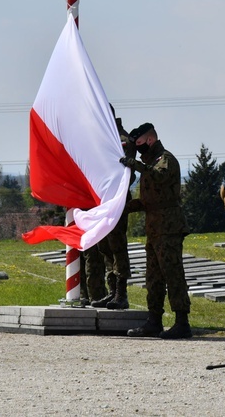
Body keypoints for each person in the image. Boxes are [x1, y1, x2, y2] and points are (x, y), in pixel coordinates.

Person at [120, 123, 192, 339]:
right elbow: (148, 201)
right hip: (154, 230)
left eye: (139, 143)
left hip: (169, 229)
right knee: (153, 277)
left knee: (173, 274)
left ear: (149, 140)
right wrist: (122, 208)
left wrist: (134, 165)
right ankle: (154, 321)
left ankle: (182, 322)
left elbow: (160, 176)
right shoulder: (150, 163)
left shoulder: (164, 160)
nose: (137, 148)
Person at [90, 111, 134, 310]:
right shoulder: (100, 139)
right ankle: (112, 291)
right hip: (101, 203)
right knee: (104, 246)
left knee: (117, 247)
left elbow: (127, 174)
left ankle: (121, 293)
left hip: (115, 202)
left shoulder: (122, 140)